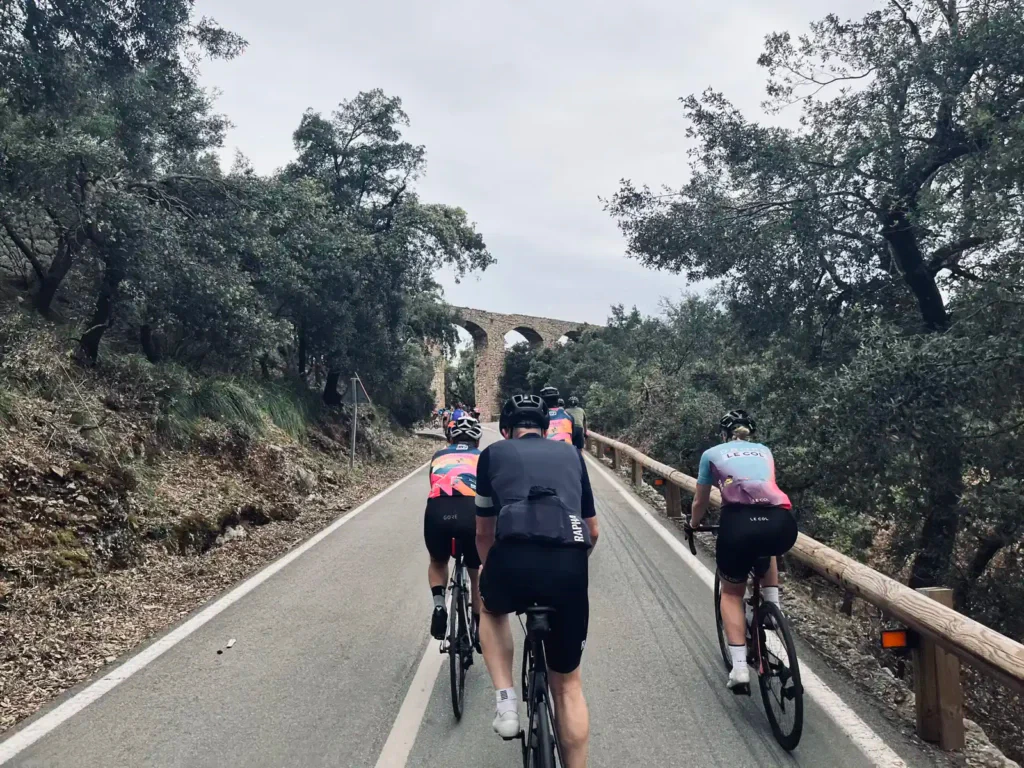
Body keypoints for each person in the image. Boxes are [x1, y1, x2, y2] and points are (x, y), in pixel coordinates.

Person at [475, 394, 599, 768]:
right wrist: (573, 564)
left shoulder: (493, 454)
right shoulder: (572, 455)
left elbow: (484, 532)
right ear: (546, 429)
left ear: (505, 429)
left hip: (512, 560)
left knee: (490, 607)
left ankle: (507, 704)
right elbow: (592, 529)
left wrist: (489, 570)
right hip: (569, 565)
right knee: (569, 687)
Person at [688, 409, 797, 692]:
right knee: (767, 547)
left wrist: (693, 524)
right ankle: (773, 608)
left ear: (724, 434)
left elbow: (700, 502)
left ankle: (739, 670)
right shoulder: (764, 451)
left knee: (732, 594)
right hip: (781, 523)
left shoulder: (712, 454)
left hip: (738, 524)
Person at [425, 416, 484, 646]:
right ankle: (479, 628)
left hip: (438, 510)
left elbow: (433, 484)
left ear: (450, 438)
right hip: (470, 511)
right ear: (477, 441)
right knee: (475, 570)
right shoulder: (482, 457)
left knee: (438, 561)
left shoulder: (438, 456)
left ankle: (440, 604)